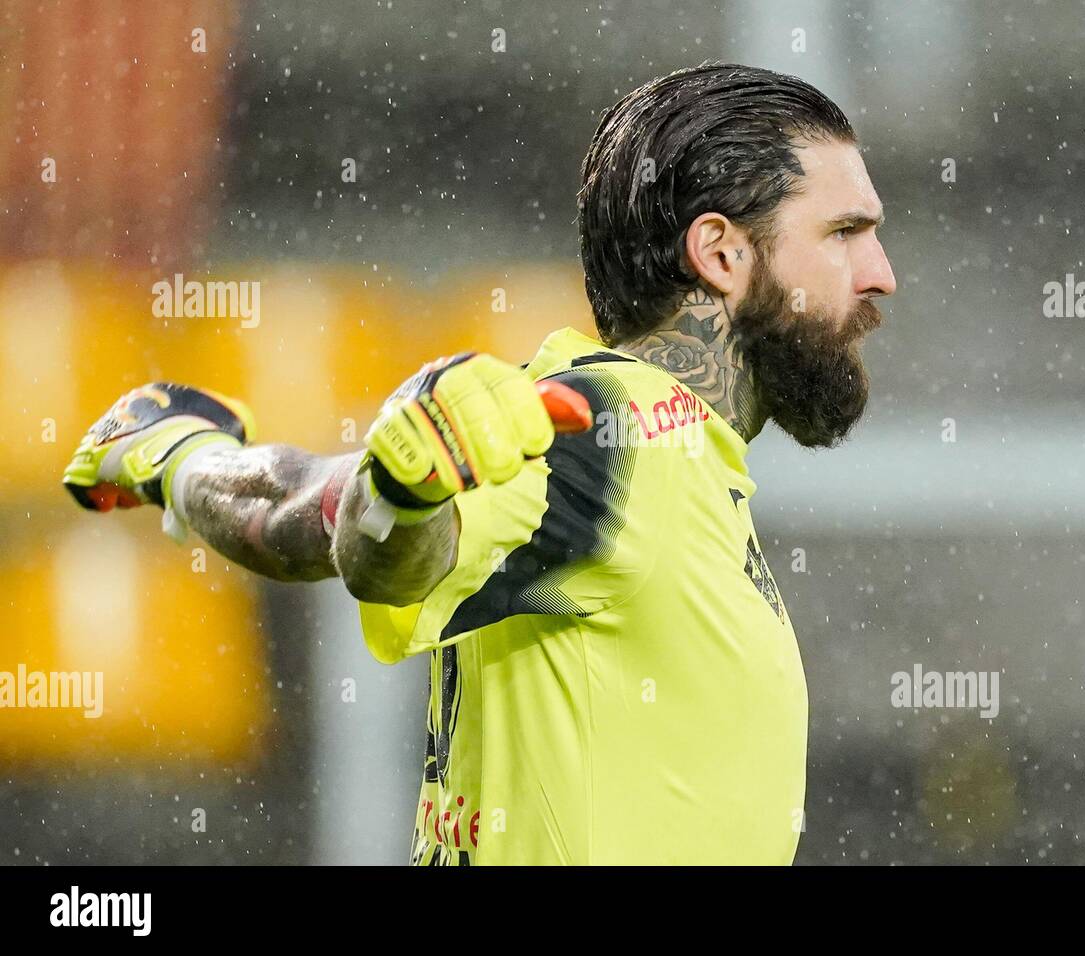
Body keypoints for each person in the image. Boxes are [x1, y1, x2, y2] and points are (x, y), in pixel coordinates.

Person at [62, 62, 896, 865]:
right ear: (721, 252)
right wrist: (400, 501)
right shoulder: (629, 434)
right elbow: (371, 550)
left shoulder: (672, 453)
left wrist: (184, 458)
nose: (881, 276)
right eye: (845, 234)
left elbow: (308, 503)